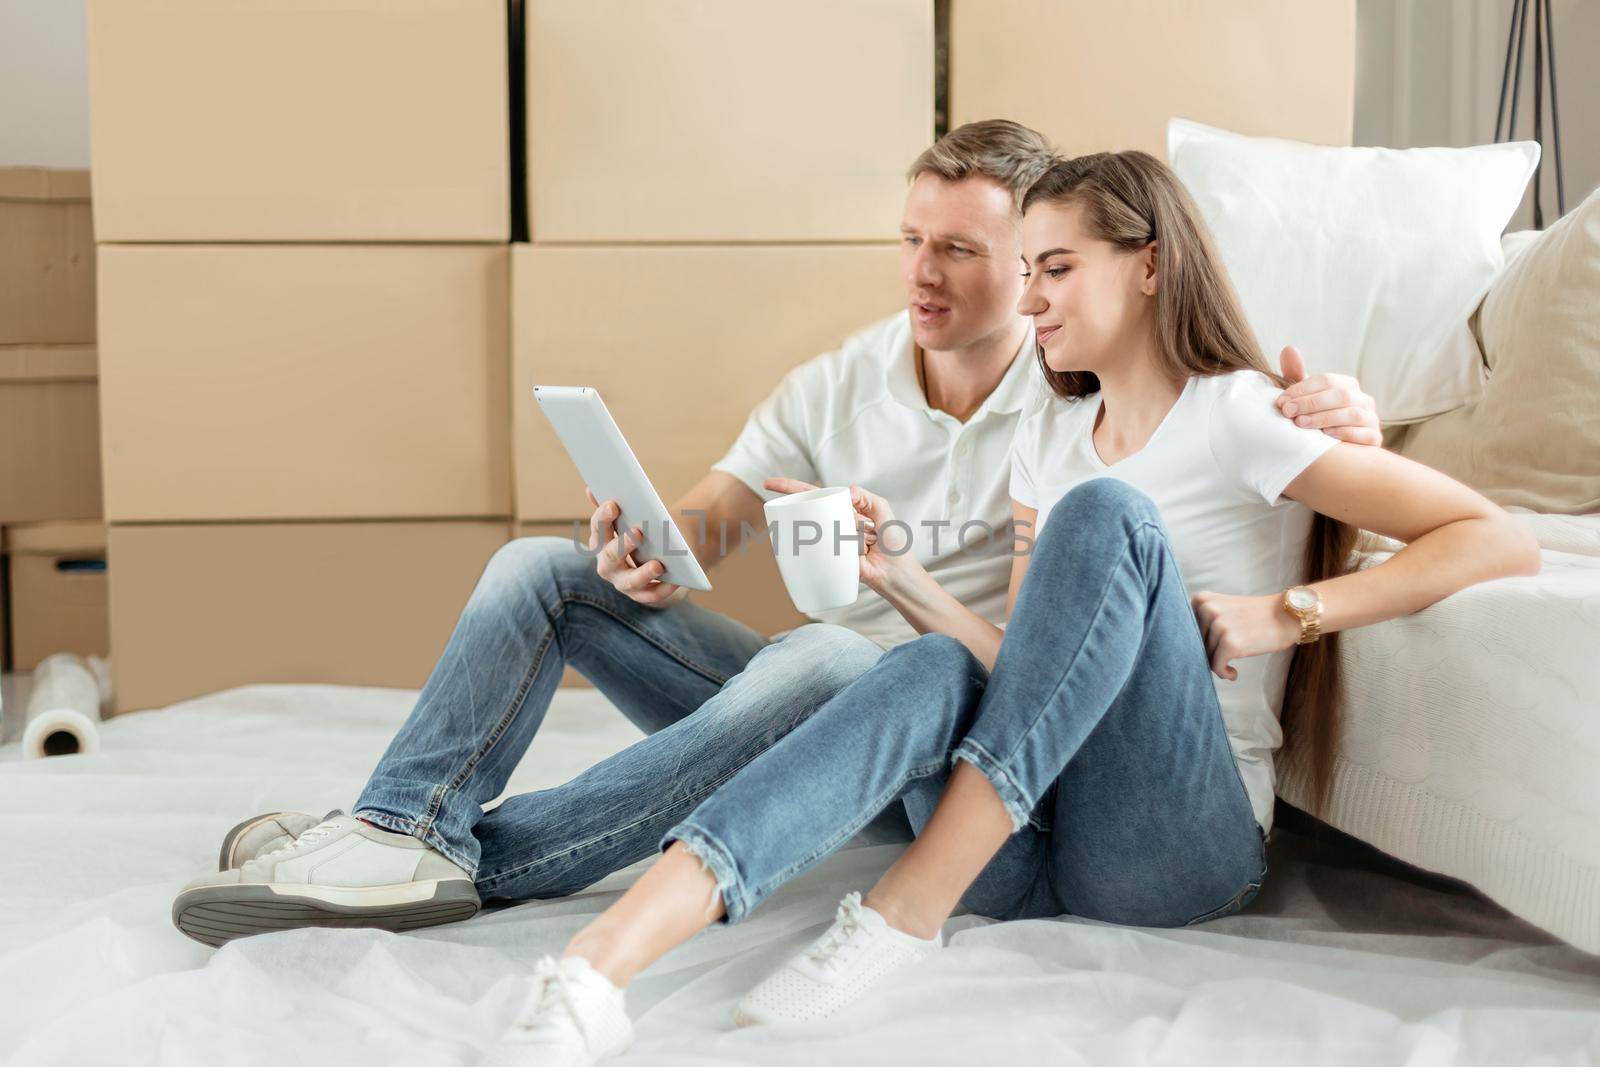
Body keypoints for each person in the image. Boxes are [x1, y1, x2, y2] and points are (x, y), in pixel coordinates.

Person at [170, 124, 1381, 947]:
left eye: (960, 249)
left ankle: (467, 869)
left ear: (1035, 265)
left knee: (843, 655)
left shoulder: (1079, 387)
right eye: (911, 239)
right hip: (802, 697)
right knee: (536, 568)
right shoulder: (839, 382)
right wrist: (643, 540)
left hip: (928, 700)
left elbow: (1207, 415)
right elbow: (708, 514)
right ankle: (399, 827)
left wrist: (1354, 418)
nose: (920, 272)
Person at [480, 150, 1541, 1067]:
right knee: (924, 664)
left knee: (1108, 518)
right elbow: (1030, 666)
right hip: (1031, 843)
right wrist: (898, 574)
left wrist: (1288, 610)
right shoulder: (1048, 437)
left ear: (1151, 264)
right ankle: (591, 971)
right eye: (1025, 270)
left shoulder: (1243, 417)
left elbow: (1498, 535)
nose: (1028, 298)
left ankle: (902, 910)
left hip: (1173, 845)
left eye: (1058, 269)